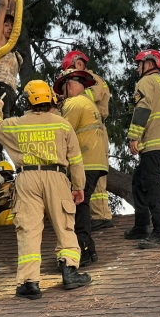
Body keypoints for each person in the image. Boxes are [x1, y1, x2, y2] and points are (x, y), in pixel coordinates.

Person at [0, 80, 91, 300]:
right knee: (64, 226)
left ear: (28, 101)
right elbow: (76, 159)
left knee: (29, 230)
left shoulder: (17, 124)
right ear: (50, 99)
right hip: (57, 177)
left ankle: (29, 282)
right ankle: (70, 272)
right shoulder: (63, 125)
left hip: (27, 178)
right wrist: (79, 186)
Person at [125, 49, 160, 250]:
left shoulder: (145, 82)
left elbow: (143, 108)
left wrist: (134, 136)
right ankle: (141, 225)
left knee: (151, 183)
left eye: (140, 64)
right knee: (139, 181)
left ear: (149, 63)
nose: (138, 68)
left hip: (154, 139)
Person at [55, 67, 108, 266]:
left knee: (78, 206)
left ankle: (84, 249)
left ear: (69, 85)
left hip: (85, 162)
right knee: (82, 204)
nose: (61, 96)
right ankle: (89, 249)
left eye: (61, 91)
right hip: (96, 161)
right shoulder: (87, 102)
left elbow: (60, 133)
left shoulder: (74, 103)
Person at [61, 50, 114, 230]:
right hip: (87, 127)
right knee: (85, 174)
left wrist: (68, 100)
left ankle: (101, 215)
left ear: (78, 64)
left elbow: (89, 96)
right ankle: (94, 214)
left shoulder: (91, 79)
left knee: (93, 175)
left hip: (93, 128)